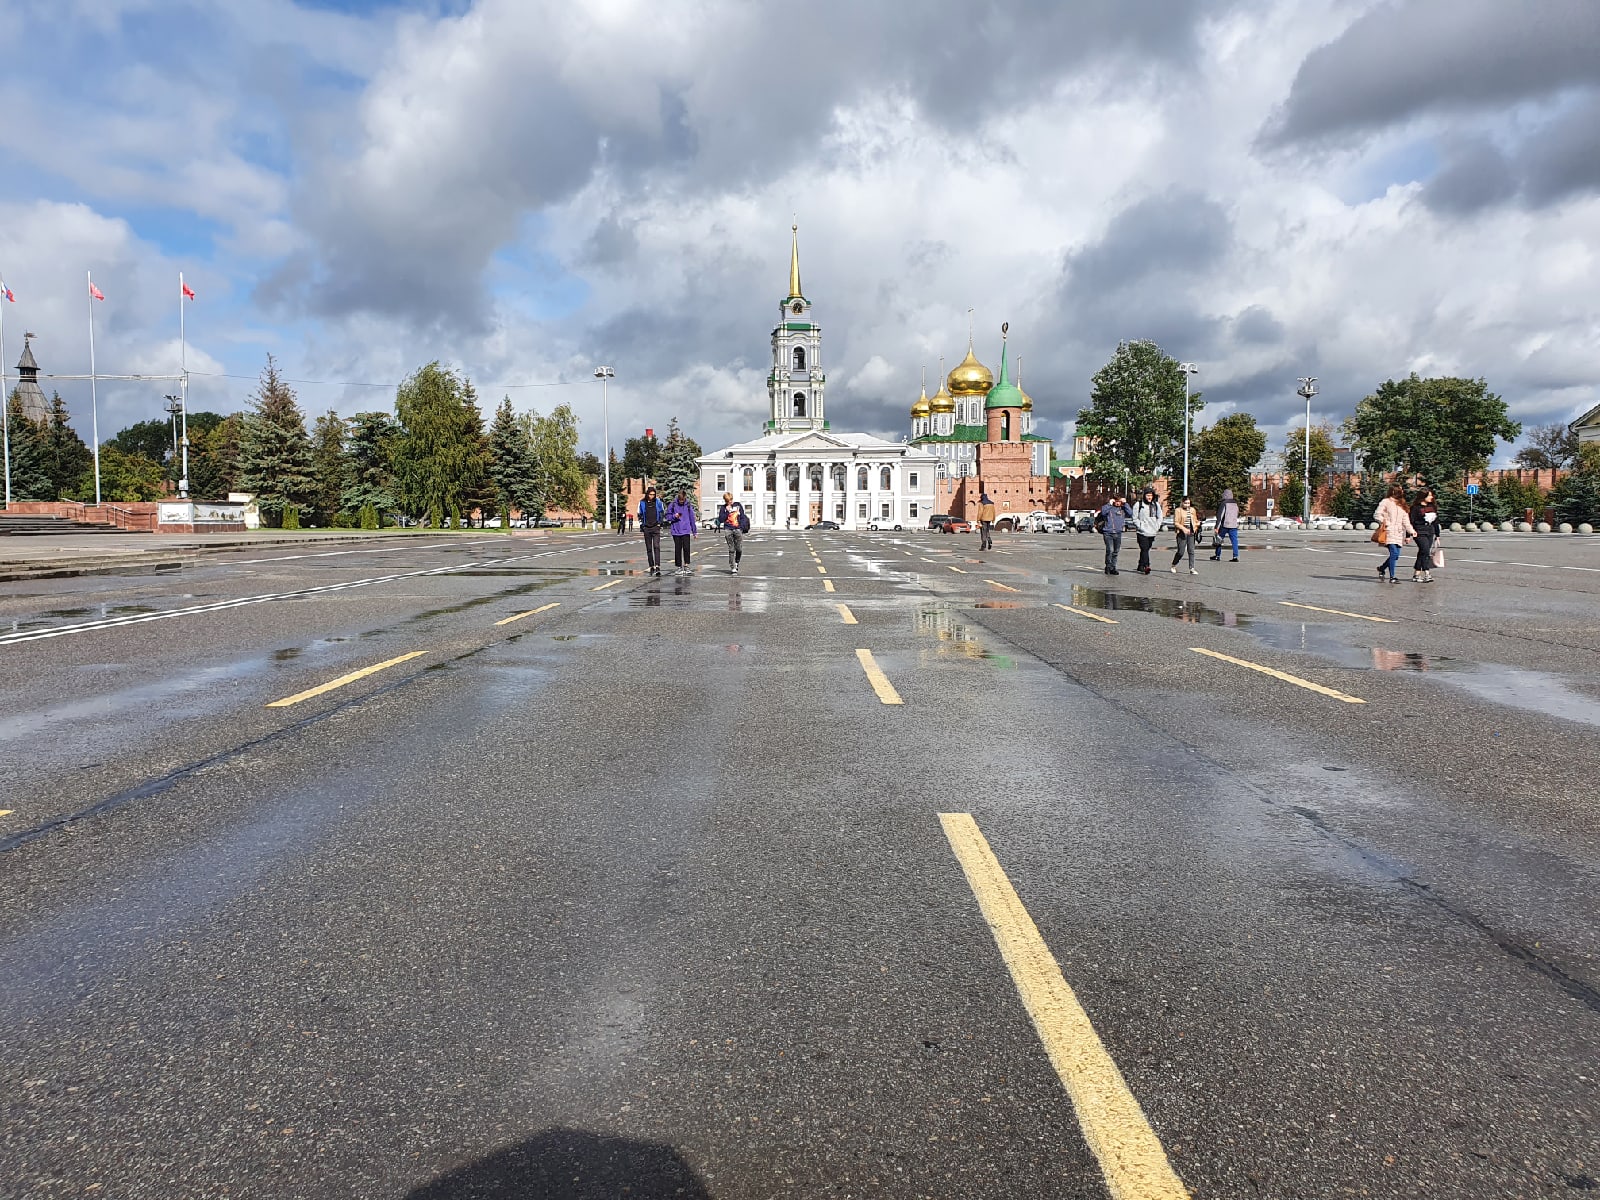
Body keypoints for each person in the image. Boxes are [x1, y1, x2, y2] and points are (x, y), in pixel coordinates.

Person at [1373, 483, 1416, 584]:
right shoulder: (1386, 502)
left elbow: (1406, 520)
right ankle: (1392, 577)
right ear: (1393, 491)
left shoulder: (1402, 504)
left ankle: (1382, 568)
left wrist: (1411, 531)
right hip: (1388, 532)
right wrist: (1386, 523)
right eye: (1399, 490)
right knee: (1394, 553)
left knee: (1396, 556)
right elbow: (1377, 514)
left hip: (1398, 532)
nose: (1401, 491)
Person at [1410, 485, 1439, 583]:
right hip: (1419, 532)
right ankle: (1427, 573)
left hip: (1430, 531)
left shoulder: (1432, 507)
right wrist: (1408, 535)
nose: (1431, 497)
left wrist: (1437, 535)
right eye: (1429, 496)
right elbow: (1411, 521)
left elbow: (1435, 521)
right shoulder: (1415, 508)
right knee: (1425, 551)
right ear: (1423, 496)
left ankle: (1416, 574)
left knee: (1422, 552)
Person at [1131, 485, 1163, 574]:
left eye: (1151, 495)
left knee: (1146, 549)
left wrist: (1157, 526)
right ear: (1144, 495)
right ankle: (1147, 566)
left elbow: (1160, 517)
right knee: (1144, 548)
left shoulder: (1156, 505)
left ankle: (1140, 565)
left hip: (1152, 531)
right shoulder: (1139, 504)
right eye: (1148, 495)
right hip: (1142, 532)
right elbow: (1134, 518)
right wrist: (1140, 526)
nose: (1149, 497)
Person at [716, 490, 750, 574]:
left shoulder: (738, 505)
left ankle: (737, 562)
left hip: (737, 529)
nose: (730, 502)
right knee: (731, 549)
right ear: (725, 501)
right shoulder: (723, 508)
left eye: (730, 500)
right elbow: (720, 519)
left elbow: (742, 516)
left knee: (739, 548)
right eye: (728, 501)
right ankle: (732, 567)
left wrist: (741, 527)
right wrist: (727, 511)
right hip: (728, 529)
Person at [1095, 494, 1129, 575]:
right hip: (1108, 532)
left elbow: (1130, 513)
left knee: (1116, 551)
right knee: (1110, 550)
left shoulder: (1123, 508)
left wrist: (1126, 504)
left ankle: (1113, 567)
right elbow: (1103, 512)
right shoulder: (1109, 508)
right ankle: (1108, 566)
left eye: (1119, 501)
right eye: (1116, 501)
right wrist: (1109, 504)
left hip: (1118, 532)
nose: (1118, 503)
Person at [666, 489, 697, 574]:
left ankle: (686, 565)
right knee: (678, 549)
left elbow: (692, 518)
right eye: (680, 500)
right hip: (676, 530)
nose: (681, 502)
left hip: (686, 530)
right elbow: (667, 516)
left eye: (683, 500)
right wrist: (674, 516)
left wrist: (694, 531)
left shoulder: (688, 505)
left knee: (686, 548)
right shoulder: (673, 505)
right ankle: (679, 566)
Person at [638, 486, 665, 576]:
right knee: (649, 548)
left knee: (656, 546)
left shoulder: (658, 502)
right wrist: (642, 525)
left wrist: (660, 523)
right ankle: (651, 566)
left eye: (653, 494)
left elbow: (661, 512)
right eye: (650, 494)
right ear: (647, 494)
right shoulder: (642, 503)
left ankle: (657, 566)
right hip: (647, 528)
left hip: (655, 527)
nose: (652, 496)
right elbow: (640, 514)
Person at [1170, 495, 1200, 574]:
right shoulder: (1178, 510)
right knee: (1181, 552)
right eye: (1185, 503)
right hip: (1182, 532)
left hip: (1191, 531)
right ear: (1182, 503)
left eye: (1188, 503)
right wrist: (1183, 529)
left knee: (1191, 550)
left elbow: (1195, 520)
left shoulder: (1192, 510)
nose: (1187, 505)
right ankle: (1174, 564)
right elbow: (1176, 523)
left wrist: (1197, 525)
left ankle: (1192, 568)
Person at [1210, 489, 1241, 561]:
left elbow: (1220, 516)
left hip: (1225, 525)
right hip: (1233, 525)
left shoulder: (1224, 503)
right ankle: (1235, 556)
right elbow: (1237, 514)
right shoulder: (1235, 504)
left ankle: (1217, 556)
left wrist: (1216, 527)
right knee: (1234, 541)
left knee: (1219, 540)